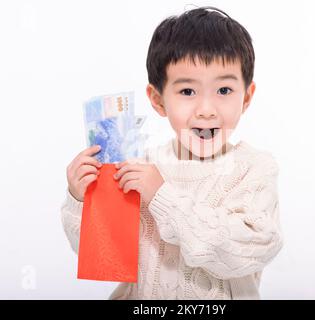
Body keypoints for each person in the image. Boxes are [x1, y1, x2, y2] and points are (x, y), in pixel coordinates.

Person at [61, 6, 283, 299]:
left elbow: (250, 248)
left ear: (247, 97)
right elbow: (106, 253)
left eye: (224, 90)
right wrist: (82, 198)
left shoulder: (253, 168)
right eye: (187, 92)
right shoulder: (141, 167)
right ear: (158, 100)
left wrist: (162, 196)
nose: (206, 110)